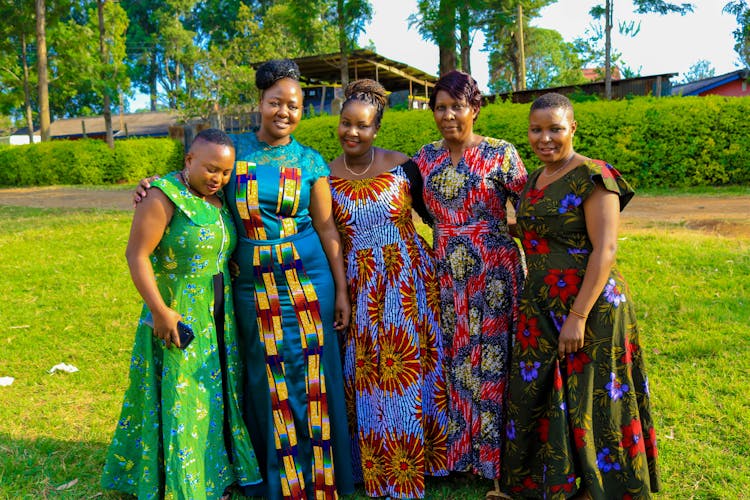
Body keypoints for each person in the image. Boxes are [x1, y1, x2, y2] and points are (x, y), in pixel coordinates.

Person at [133, 60, 354, 500]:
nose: (285, 112)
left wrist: (342, 289)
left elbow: (328, 228)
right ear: (260, 103)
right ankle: (268, 476)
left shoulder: (310, 160)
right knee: (262, 374)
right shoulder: (231, 151)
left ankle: (319, 477)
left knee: (313, 373)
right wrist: (151, 187)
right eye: (276, 103)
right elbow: (189, 180)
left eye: (294, 105)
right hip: (252, 285)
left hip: (310, 281)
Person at [502, 92, 660, 499]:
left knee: (594, 395)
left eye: (555, 128)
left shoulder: (594, 175)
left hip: (590, 304)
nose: (545, 138)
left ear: (572, 127)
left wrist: (578, 315)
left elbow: (605, 249)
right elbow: (542, 231)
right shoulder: (534, 180)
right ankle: (555, 480)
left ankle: (602, 485)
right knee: (540, 389)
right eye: (536, 130)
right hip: (540, 301)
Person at [102, 128, 262, 499]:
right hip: (178, 314)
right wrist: (160, 312)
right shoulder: (162, 195)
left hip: (218, 317)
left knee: (213, 396)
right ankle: (184, 483)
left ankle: (215, 474)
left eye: (224, 172)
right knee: (182, 396)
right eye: (209, 169)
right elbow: (136, 255)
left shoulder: (219, 200)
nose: (217, 178)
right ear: (188, 160)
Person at [328, 79, 448, 499]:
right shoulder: (323, 176)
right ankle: (372, 462)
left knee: (412, 366)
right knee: (368, 372)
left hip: (409, 279)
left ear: (376, 128)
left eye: (362, 126)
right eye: (346, 123)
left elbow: (435, 217)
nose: (352, 133)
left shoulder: (404, 166)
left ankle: (423, 458)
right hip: (360, 285)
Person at [411, 70, 527, 498]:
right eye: (439, 107)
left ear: (474, 109)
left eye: (456, 106)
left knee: (493, 360)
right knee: (453, 359)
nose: (447, 115)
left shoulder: (502, 154)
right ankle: (455, 457)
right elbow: (417, 207)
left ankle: (495, 460)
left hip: (494, 272)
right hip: (446, 274)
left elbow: (530, 207)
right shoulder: (423, 158)